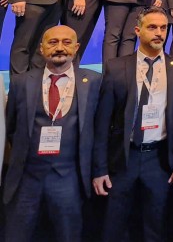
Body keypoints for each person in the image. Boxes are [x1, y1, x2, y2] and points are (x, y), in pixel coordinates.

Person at [92, 7, 173, 242]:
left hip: (159, 159)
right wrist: (99, 169)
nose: (159, 33)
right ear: (137, 30)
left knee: (156, 227)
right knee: (114, 225)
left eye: (163, 28)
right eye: (152, 27)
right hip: (124, 158)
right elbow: (102, 124)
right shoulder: (116, 67)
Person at [4, 25, 102, 242]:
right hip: (26, 178)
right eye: (52, 42)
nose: (59, 48)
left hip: (69, 178)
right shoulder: (21, 82)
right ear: (41, 48)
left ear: (76, 47)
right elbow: (11, 128)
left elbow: (100, 130)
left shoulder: (94, 82)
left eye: (66, 42)